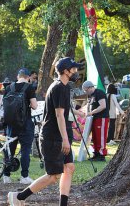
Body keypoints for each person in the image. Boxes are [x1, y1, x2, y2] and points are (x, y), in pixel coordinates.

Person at [8, 57, 85, 206]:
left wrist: (79, 114)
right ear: (65, 71)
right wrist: (65, 140)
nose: (76, 71)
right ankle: (19, 197)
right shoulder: (58, 88)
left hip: (62, 135)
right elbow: (58, 115)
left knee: (69, 168)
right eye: (73, 69)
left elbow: (63, 110)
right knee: (53, 176)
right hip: (53, 137)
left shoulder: (64, 87)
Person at [3, 68, 38, 185]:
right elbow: (34, 106)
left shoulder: (9, 87)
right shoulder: (29, 88)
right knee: (25, 150)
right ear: (28, 77)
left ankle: (6, 176)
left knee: (9, 150)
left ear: (18, 76)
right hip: (25, 124)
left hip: (11, 125)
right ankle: (24, 176)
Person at [82, 80, 109, 161]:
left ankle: (101, 155)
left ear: (90, 87)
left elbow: (103, 106)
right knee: (95, 136)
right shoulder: (92, 95)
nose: (86, 92)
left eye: (86, 90)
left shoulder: (99, 93)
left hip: (102, 117)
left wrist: (91, 112)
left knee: (100, 136)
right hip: (95, 118)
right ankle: (96, 154)